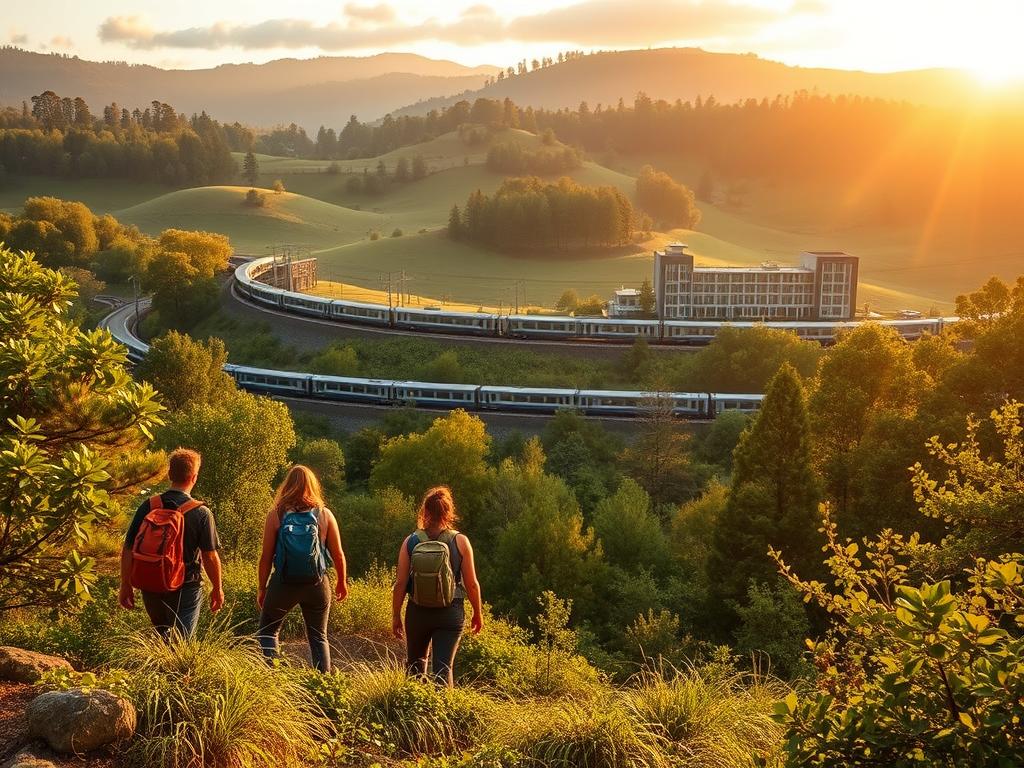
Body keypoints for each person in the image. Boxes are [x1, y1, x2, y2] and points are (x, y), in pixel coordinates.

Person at [119, 448, 223, 640]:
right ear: (194, 477)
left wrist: (126, 584)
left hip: (151, 581)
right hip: (186, 585)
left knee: (161, 638)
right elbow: (209, 556)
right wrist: (217, 588)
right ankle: (174, 670)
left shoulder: (149, 506)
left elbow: (128, 548)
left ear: (169, 475)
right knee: (181, 643)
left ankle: (157, 669)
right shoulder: (201, 513)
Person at [256, 465, 348, 672]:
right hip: (317, 583)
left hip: (283, 583)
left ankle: (274, 678)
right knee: (318, 636)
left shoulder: (276, 514)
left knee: (268, 631)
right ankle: (323, 685)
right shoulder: (324, 515)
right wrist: (342, 581)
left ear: (287, 485)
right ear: (313, 486)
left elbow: (266, 557)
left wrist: (262, 588)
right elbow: (338, 554)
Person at [392, 486, 483, 687]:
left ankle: (411, 715)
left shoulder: (411, 541)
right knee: (443, 669)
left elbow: (400, 584)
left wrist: (396, 615)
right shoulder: (461, 541)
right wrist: (478, 612)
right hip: (450, 612)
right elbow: (472, 584)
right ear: (448, 512)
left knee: (414, 667)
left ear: (424, 511)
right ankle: (443, 716)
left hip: (417, 611)